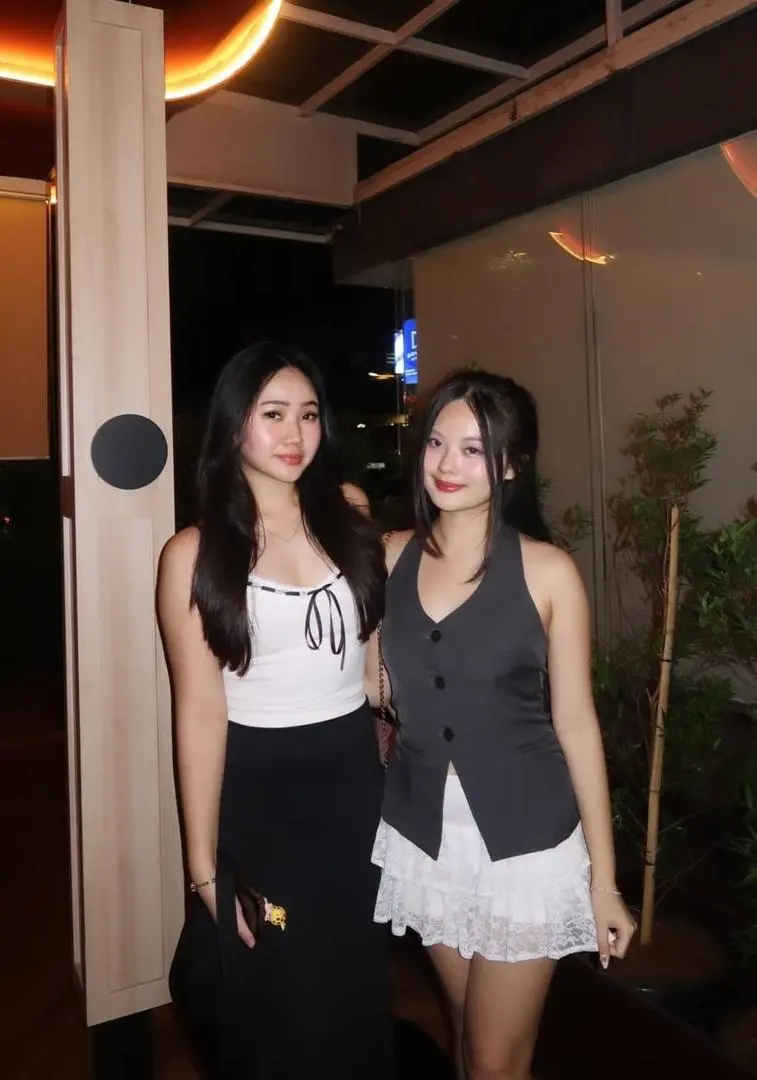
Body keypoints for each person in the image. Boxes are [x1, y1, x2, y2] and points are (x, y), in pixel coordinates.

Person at [367, 369, 636, 1080]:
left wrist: (604, 882)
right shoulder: (388, 555)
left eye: (474, 450)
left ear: (512, 465)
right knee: (464, 1038)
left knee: (494, 1061)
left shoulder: (548, 573)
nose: (447, 464)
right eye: (436, 443)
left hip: (526, 845)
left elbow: (576, 725)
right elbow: (369, 683)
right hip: (425, 838)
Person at [158, 343, 393, 1078]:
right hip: (261, 805)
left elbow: (372, 667)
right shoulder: (194, 553)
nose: (295, 434)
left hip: (354, 791)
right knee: (282, 979)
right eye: (273, 414)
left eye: (309, 415)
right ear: (234, 426)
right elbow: (199, 714)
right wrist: (204, 873)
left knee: (352, 979)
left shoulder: (349, 511)